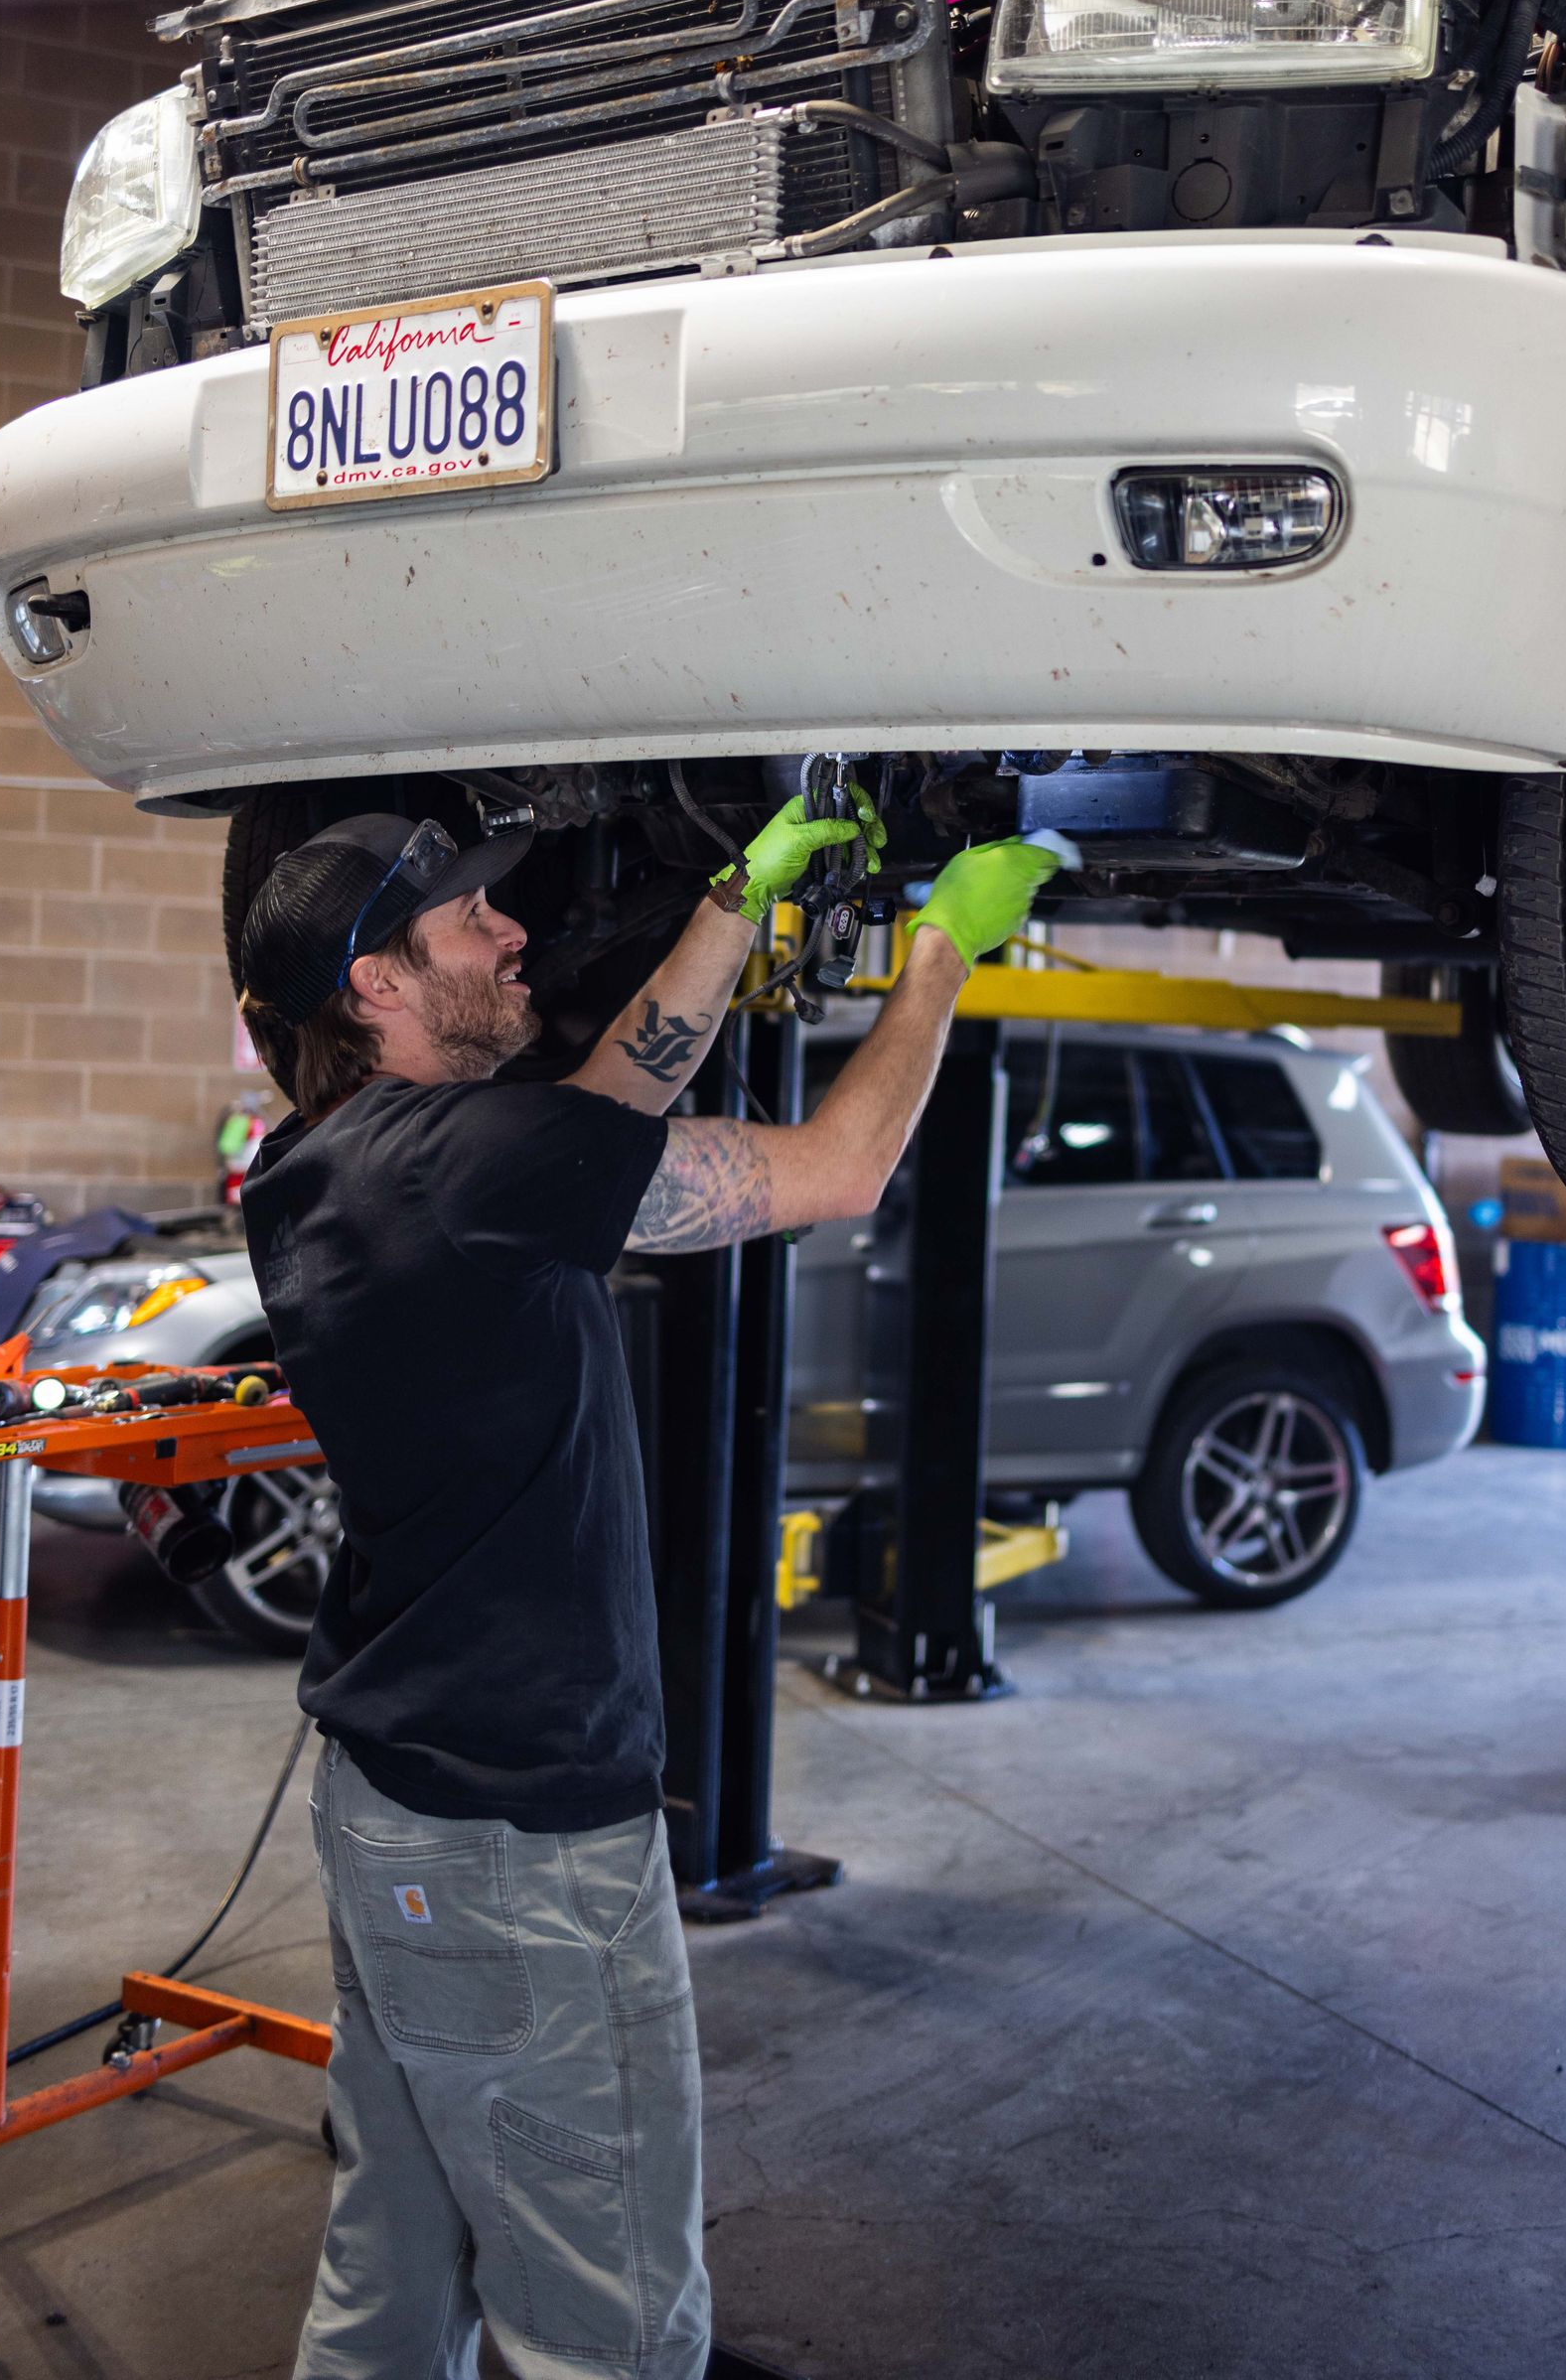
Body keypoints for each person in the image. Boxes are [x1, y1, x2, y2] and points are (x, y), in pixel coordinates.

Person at [234, 796, 1060, 2380]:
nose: (512, 928)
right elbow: (837, 1169)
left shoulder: (323, 1168)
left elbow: (609, 1108)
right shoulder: (478, 1161)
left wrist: (739, 904)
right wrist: (944, 947)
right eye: (467, 922)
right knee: (601, 2316)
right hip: (522, 1841)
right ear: (375, 989)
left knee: (391, 2265)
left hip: (392, 1807)